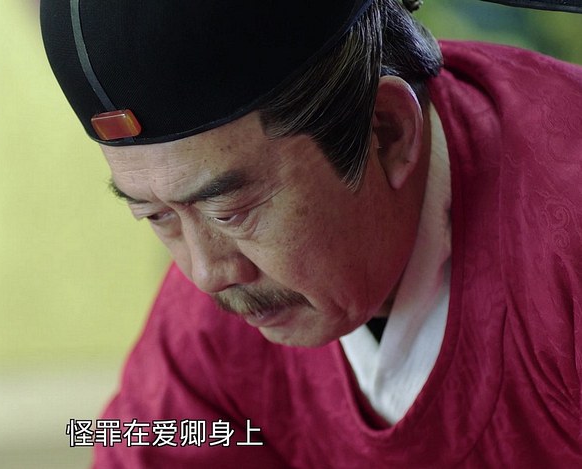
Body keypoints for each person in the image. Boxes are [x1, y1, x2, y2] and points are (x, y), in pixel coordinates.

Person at [41, 0, 582, 466]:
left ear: (387, 132)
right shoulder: (209, 330)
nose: (206, 274)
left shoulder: (565, 234)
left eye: (229, 210)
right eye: (158, 216)